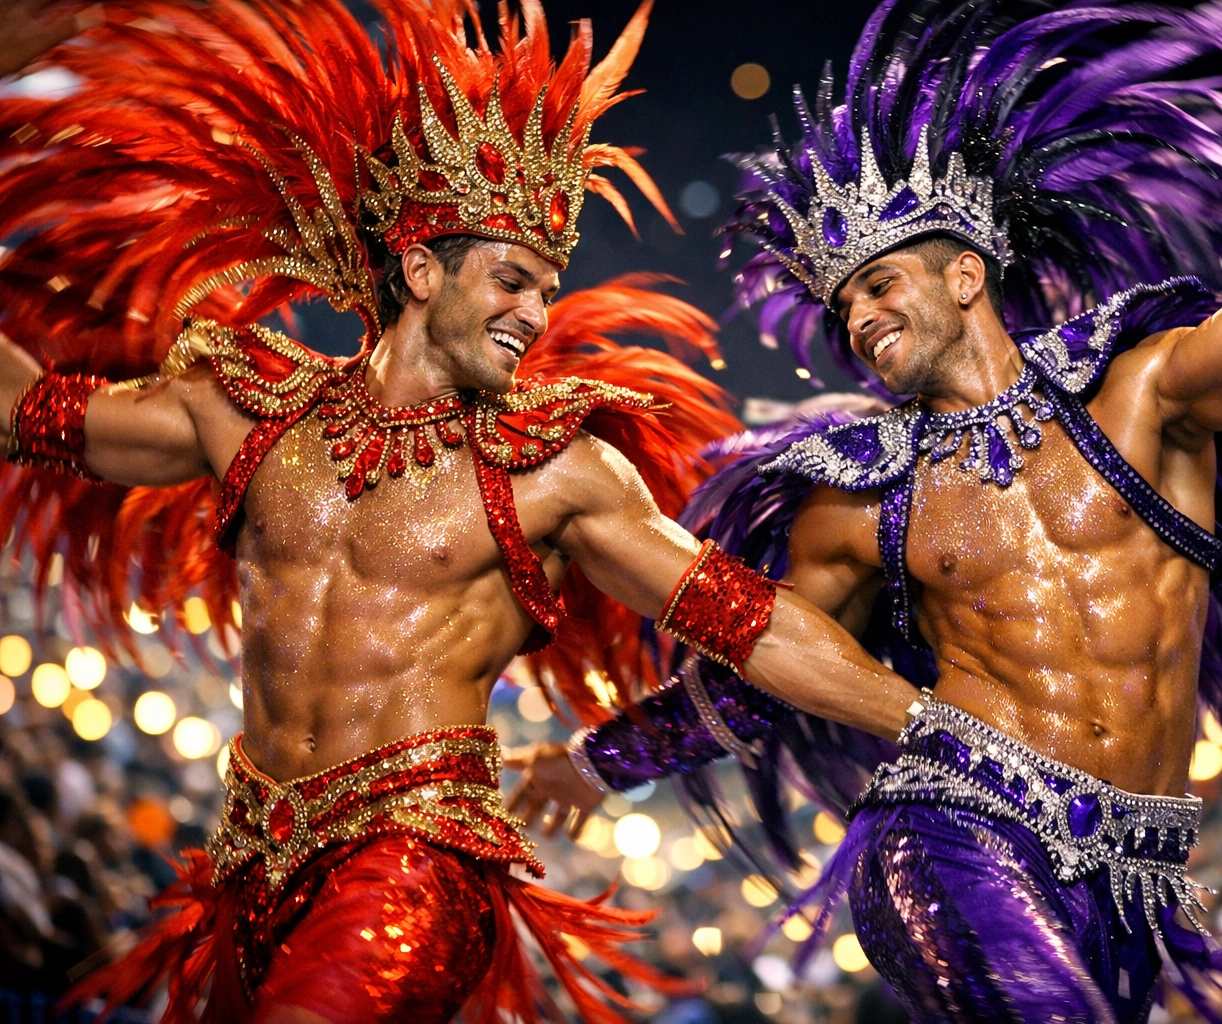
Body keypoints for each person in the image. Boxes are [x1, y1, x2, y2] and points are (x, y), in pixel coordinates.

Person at [506, 2, 1222, 1021]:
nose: (859, 317)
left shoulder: (1136, 396)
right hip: (951, 830)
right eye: (844, 306)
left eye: (879, 282)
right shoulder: (861, 496)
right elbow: (765, 666)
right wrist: (602, 761)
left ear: (965, 272)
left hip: (1137, 877)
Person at [0, 1, 920, 1021]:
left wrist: (934, 725)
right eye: (513, 279)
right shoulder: (246, 411)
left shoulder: (556, 474)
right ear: (423, 266)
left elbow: (750, 622)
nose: (537, 311)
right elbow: (21, 413)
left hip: (418, 866)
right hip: (246, 868)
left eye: (546, 286)